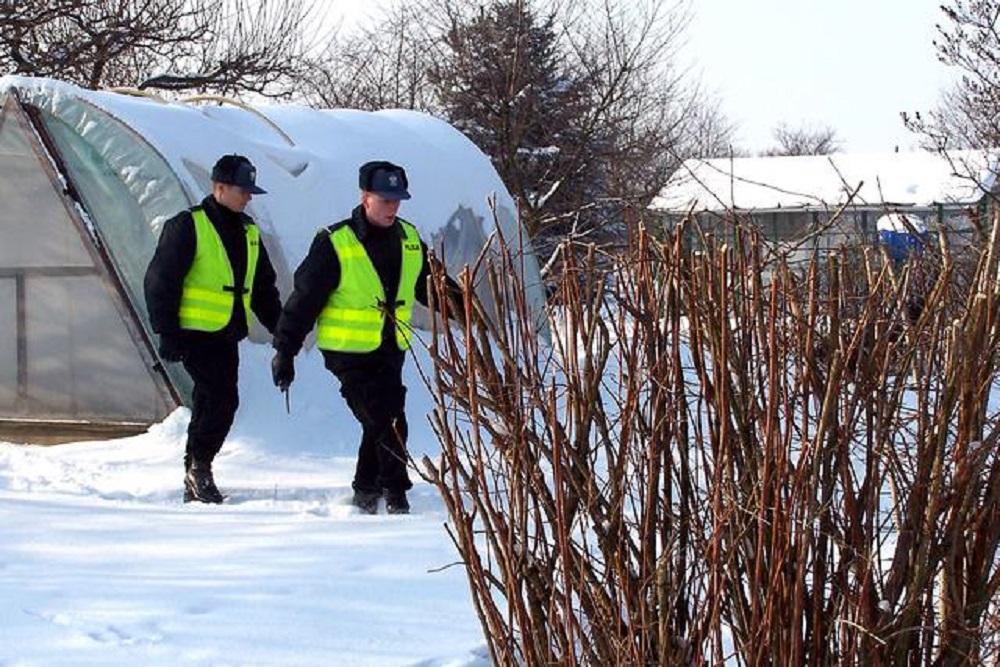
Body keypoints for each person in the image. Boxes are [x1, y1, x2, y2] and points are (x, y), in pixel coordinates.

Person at [270, 160, 462, 515]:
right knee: (388, 420)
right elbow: (304, 300)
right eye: (384, 199)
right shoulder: (336, 242)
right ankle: (396, 493)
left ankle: (365, 489)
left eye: (397, 200)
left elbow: (430, 287)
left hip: (389, 349)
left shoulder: (409, 240)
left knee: (379, 419)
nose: (392, 207)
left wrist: (468, 311)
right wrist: (286, 350)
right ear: (365, 197)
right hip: (347, 353)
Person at [144, 154, 283, 504]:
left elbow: (263, 288)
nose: (248, 197)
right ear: (219, 187)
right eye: (242, 190)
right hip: (193, 334)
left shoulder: (249, 232)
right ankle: (200, 468)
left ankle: (195, 468)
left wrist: (283, 330)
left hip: (226, 333)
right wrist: (168, 331)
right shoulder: (188, 226)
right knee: (222, 399)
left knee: (210, 401)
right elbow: (161, 280)